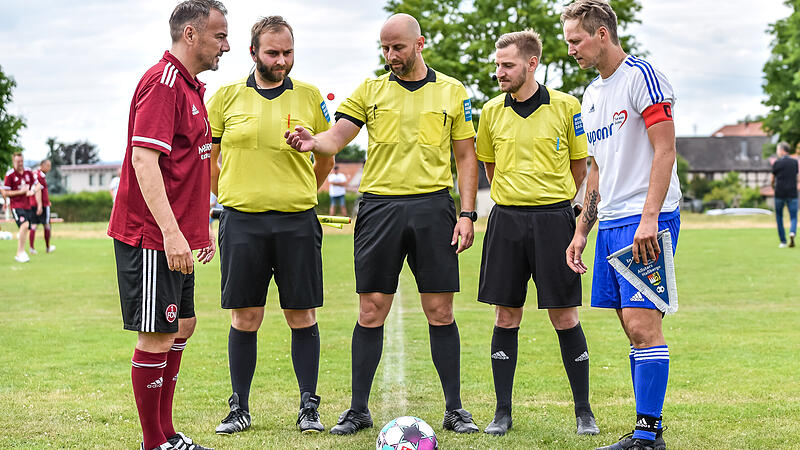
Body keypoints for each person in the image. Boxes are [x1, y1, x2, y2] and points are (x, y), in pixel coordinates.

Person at [285, 13, 480, 436]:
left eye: (398, 48)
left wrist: (467, 214)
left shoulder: (452, 91)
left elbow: (466, 157)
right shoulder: (370, 90)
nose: (391, 56)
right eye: (385, 49)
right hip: (379, 208)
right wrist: (313, 141)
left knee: (440, 311)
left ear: (419, 44)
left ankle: (456, 409)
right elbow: (337, 137)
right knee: (371, 309)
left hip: (433, 207)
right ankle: (358, 410)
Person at [106, 1, 228, 449]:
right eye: (220, 36)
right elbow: (144, 161)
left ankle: (167, 435)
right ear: (191, 35)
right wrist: (174, 234)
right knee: (157, 335)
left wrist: (200, 228)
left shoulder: (192, 87)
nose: (227, 45)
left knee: (183, 326)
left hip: (177, 236)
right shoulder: (163, 83)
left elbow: (187, 168)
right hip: (152, 236)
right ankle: (154, 443)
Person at [562, 1, 682, 449]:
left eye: (576, 40)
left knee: (643, 325)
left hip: (646, 219)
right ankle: (645, 433)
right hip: (610, 220)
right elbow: (595, 168)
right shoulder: (591, 95)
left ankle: (648, 437)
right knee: (631, 329)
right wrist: (580, 230)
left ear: (601, 35)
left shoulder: (642, 77)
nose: (571, 49)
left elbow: (665, 150)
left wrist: (650, 217)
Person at [207, 15, 334, 435]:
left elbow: (326, 156)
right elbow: (210, 158)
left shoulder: (312, 97)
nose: (281, 61)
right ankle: (239, 408)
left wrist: (299, 193)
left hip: (297, 222)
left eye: (288, 53)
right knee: (245, 317)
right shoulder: (225, 97)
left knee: (302, 315)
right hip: (241, 222)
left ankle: (309, 408)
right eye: (273, 53)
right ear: (253, 53)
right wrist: (227, 194)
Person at [475, 29, 598, 437]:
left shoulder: (567, 106)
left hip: (554, 221)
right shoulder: (490, 111)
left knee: (564, 315)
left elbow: (580, 168)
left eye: (507, 65)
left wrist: (562, 205)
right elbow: (490, 169)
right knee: (506, 314)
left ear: (531, 64)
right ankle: (502, 413)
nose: (499, 72)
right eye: (497, 65)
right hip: (506, 221)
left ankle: (584, 412)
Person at [3, 152, 36, 263]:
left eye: (21, 161)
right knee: (25, 225)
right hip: (16, 205)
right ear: (13, 161)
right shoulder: (10, 175)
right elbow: (6, 192)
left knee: (26, 228)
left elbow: (37, 185)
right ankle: (19, 253)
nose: (20, 163)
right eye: (18, 161)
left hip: (27, 205)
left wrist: (33, 191)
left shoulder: (28, 172)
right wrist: (20, 192)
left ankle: (22, 252)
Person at [771, 142, 798, 248]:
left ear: (782, 150)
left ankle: (783, 241)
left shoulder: (776, 163)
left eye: (778, 150)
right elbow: (797, 177)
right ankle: (792, 232)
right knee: (793, 217)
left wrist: (773, 187)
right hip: (792, 193)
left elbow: (772, 179)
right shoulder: (794, 162)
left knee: (779, 217)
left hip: (780, 193)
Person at [29, 159, 55, 254]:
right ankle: (48, 247)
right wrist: (41, 204)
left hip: (32, 204)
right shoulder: (40, 176)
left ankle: (32, 248)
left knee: (34, 225)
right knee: (46, 225)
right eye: (48, 165)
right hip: (42, 205)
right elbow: (38, 190)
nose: (50, 168)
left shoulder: (34, 174)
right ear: (42, 165)